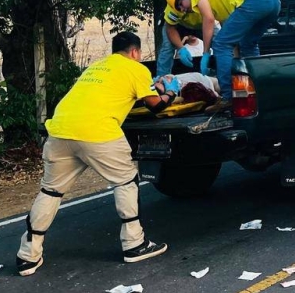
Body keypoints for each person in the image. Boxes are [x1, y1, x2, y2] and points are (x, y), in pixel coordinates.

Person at [15, 32, 179, 276]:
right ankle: (134, 244)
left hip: (60, 131)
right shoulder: (136, 68)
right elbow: (156, 107)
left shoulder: (95, 68)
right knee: (125, 181)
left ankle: (28, 256)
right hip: (98, 132)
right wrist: (171, 92)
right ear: (135, 52)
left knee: (51, 190)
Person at [165, 0, 281, 106]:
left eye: (180, 4)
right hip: (273, 1)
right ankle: (257, 89)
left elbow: (208, 19)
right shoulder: (219, 1)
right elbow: (232, 35)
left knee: (221, 44)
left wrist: (206, 52)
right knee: (248, 44)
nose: (183, 9)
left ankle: (227, 97)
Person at [156, 0, 210, 78]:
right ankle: (162, 80)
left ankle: (225, 76)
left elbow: (212, 22)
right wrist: (181, 48)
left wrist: (206, 52)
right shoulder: (175, 1)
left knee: (222, 41)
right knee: (167, 47)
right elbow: (170, 28)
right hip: (180, 25)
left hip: (203, 24)